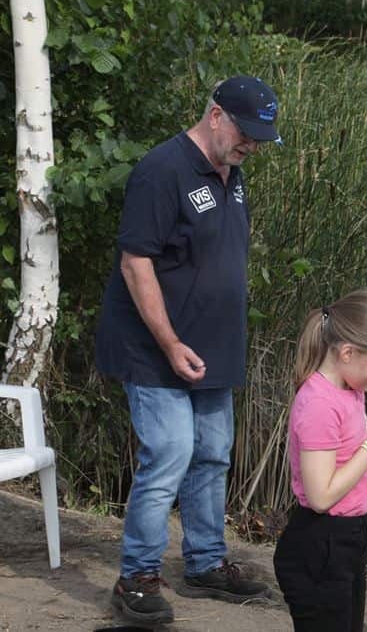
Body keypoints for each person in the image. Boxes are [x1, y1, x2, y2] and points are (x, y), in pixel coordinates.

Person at [95, 76, 282, 626]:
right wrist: (170, 341)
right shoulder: (161, 171)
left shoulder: (234, 172)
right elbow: (136, 262)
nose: (252, 145)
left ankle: (203, 561)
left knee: (212, 454)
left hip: (213, 347)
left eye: (261, 137)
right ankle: (136, 577)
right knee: (169, 454)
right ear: (216, 115)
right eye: (247, 133)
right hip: (155, 348)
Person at [273, 288, 367, 632]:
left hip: (346, 539)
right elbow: (321, 496)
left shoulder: (349, 391)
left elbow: (351, 448)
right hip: (319, 546)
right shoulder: (319, 403)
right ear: (348, 352)